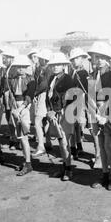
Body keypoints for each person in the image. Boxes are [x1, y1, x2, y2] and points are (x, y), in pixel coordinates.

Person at [87, 42, 111, 191]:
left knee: (108, 145)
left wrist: (104, 115)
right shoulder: (93, 74)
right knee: (100, 145)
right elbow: (90, 95)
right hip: (95, 112)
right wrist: (94, 112)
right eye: (96, 57)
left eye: (102, 57)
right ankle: (104, 174)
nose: (99, 60)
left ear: (108, 58)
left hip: (108, 112)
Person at [45, 53, 75, 181]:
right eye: (53, 65)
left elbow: (71, 97)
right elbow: (49, 96)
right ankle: (64, 166)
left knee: (64, 142)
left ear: (63, 66)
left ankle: (68, 169)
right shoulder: (52, 78)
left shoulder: (68, 79)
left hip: (65, 113)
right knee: (60, 141)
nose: (55, 67)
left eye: (58, 65)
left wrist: (60, 110)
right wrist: (50, 110)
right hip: (55, 112)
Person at [8, 55, 36, 176]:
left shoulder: (31, 80)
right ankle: (26, 161)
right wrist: (13, 107)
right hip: (15, 107)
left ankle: (28, 164)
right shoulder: (12, 79)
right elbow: (11, 94)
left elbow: (29, 96)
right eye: (18, 67)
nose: (21, 69)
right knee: (19, 136)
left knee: (24, 137)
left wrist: (20, 108)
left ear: (26, 68)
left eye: (23, 67)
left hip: (25, 107)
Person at [32, 48, 54, 158]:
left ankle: (41, 146)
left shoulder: (47, 70)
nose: (39, 59)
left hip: (43, 95)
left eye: (41, 58)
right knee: (45, 120)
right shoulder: (43, 69)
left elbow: (44, 85)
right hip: (44, 95)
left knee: (37, 121)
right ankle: (48, 141)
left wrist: (35, 93)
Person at [68, 47, 89, 160]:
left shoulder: (83, 73)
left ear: (82, 59)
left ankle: (76, 147)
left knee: (76, 124)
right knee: (74, 125)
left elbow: (85, 89)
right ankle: (76, 147)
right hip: (72, 100)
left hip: (79, 100)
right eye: (73, 59)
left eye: (77, 59)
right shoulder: (72, 72)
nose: (74, 61)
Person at [0, 47, 19, 150]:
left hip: (12, 96)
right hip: (6, 96)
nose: (3, 60)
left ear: (11, 58)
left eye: (5, 58)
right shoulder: (6, 69)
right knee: (8, 117)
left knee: (13, 118)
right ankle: (13, 137)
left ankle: (15, 140)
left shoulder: (14, 69)